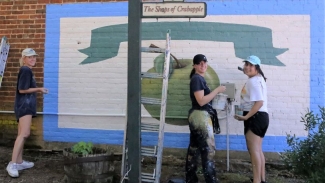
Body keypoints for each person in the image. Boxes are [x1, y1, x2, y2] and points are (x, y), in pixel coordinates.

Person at [6, 48, 48, 178]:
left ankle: (19, 161)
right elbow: (22, 90)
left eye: (34, 57)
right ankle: (12, 164)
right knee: (24, 134)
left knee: (21, 133)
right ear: (24, 59)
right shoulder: (25, 70)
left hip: (24, 106)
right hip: (24, 106)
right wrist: (39, 89)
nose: (33, 59)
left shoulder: (27, 70)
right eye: (30, 57)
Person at [185, 54, 226, 183]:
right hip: (200, 116)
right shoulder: (197, 79)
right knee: (208, 150)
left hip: (198, 116)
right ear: (195, 66)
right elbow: (201, 101)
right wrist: (217, 90)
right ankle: (211, 180)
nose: (203, 65)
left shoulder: (198, 78)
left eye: (204, 62)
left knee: (194, 149)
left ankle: (191, 179)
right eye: (199, 63)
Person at [234, 55, 269, 183]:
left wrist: (246, 117)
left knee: (254, 150)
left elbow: (259, 102)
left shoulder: (253, 81)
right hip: (262, 117)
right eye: (246, 65)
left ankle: (256, 180)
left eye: (250, 65)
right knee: (258, 149)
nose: (247, 67)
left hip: (255, 116)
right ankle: (262, 179)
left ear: (257, 68)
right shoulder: (259, 79)